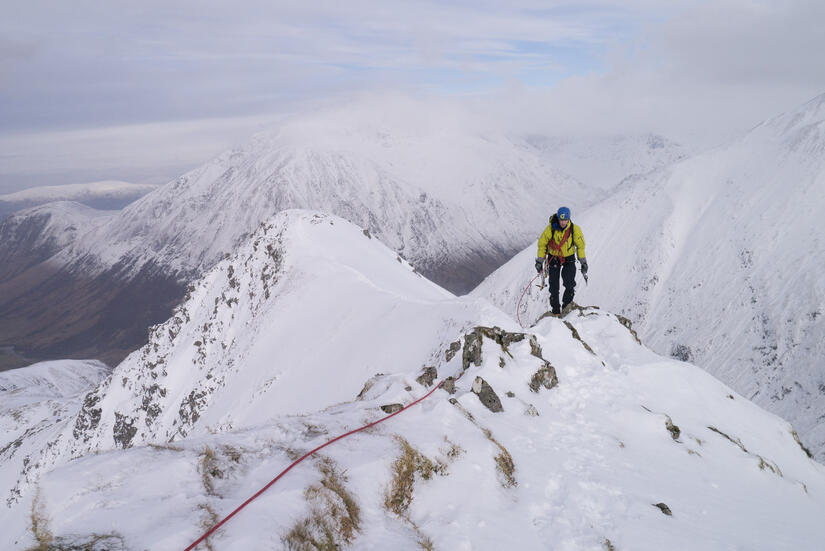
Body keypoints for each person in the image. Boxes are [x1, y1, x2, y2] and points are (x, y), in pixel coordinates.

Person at [534, 206, 587, 315]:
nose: (563, 222)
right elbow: (542, 244)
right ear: (558, 218)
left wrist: (583, 262)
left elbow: (580, 247)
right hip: (554, 258)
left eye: (565, 220)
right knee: (553, 286)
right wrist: (540, 260)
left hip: (569, 258)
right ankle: (556, 311)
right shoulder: (550, 229)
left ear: (569, 219)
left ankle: (566, 308)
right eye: (561, 220)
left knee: (569, 284)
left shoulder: (574, 229)